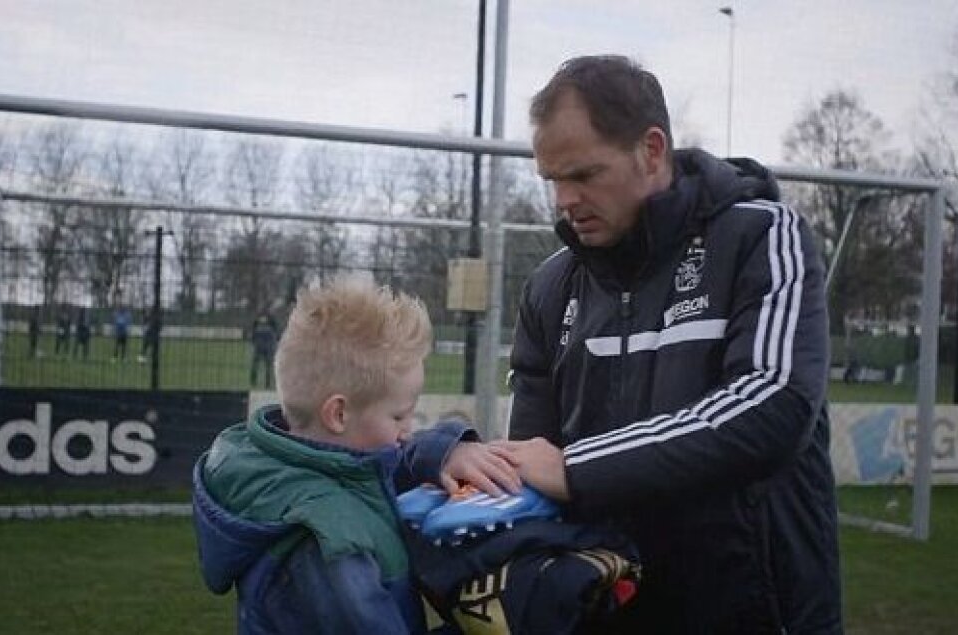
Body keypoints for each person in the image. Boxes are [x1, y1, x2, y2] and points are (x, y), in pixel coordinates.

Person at [494, 56, 841, 633]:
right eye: (552, 179)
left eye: (583, 174)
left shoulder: (763, 236)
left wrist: (578, 470)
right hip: (607, 614)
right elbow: (535, 460)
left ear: (652, 151)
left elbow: (774, 405)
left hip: (754, 614)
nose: (564, 200)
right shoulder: (552, 287)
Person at [191, 275, 520, 633]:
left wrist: (443, 452)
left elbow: (383, 469)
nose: (407, 428)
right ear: (339, 415)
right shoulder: (333, 545)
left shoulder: (269, 460)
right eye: (398, 415)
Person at [249, 311, 278, 389]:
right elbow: (253, 330)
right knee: (256, 364)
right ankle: (254, 381)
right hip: (261, 345)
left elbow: (275, 330)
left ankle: (267, 383)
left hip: (267, 346)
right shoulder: (258, 319)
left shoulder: (271, 319)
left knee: (267, 365)